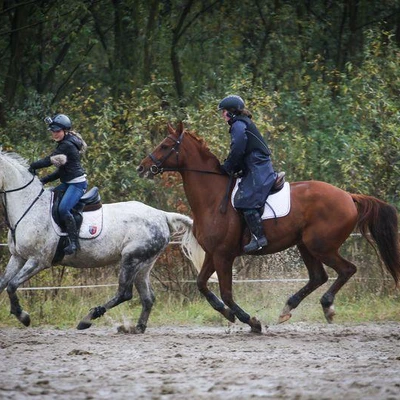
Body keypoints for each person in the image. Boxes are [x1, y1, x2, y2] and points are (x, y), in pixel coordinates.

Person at [218, 95, 277, 253]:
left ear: (231, 112)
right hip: (254, 165)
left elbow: (238, 148)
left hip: (258, 166)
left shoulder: (238, 124)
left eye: (223, 112)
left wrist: (229, 165)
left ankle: (259, 238)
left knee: (245, 199)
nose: (222, 115)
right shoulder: (241, 123)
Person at [29, 114, 88, 255]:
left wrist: (32, 166)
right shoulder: (65, 142)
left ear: (65, 131)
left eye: (57, 131)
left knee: (63, 209)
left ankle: (74, 243)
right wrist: (44, 180)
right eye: (53, 131)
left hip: (77, 185)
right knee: (48, 199)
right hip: (68, 182)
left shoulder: (66, 145)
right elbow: (61, 172)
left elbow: (48, 161)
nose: (54, 134)